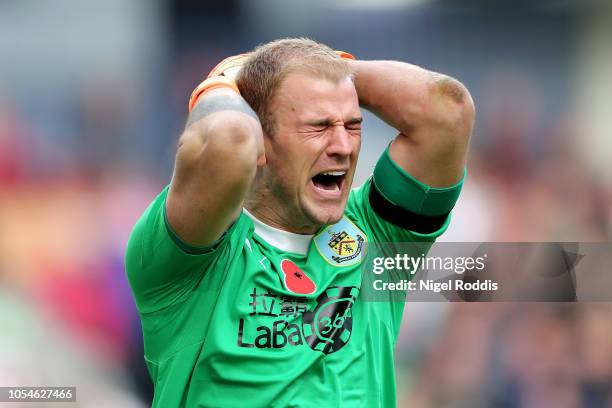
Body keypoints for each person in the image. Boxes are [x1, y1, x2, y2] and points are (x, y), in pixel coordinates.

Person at [125, 38, 474, 407]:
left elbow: (448, 112)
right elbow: (228, 141)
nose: (343, 145)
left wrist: (328, 69)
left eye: (353, 126)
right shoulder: (193, 259)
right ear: (262, 142)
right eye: (318, 127)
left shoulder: (377, 236)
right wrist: (225, 81)